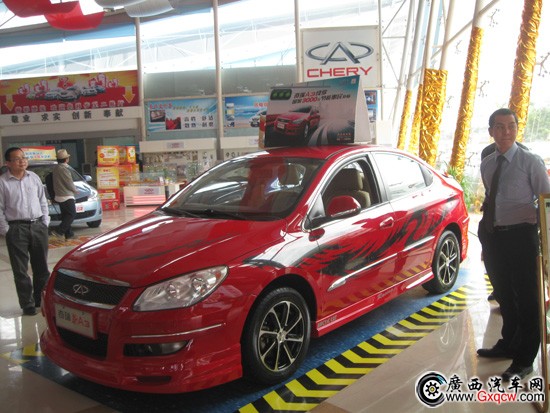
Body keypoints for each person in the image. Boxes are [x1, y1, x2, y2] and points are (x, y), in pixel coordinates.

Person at [476, 108, 550, 381]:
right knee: (504, 294)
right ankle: (509, 343)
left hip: (522, 237)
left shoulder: (531, 162)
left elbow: (546, 201)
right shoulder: (487, 163)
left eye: (511, 126)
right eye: (499, 126)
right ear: (491, 131)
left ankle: (524, 358)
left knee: (527, 299)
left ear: (517, 129)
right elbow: (492, 198)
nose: (506, 131)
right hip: (494, 237)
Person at [0, 147, 50, 316]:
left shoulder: (33, 177)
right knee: (20, 270)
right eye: (17, 159)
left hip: (37, 226)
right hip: (16, 228)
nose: (22, 161)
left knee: (41, 267)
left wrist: (45, 222)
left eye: (23, 157)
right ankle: (27, 304)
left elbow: (42, 200)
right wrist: (6, 230)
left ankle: (40, 300)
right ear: (8, 163)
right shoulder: (3, 182)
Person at [480, 140, 529, 302]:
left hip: (518, 228)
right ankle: (500, 291)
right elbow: (490, 191)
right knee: (495, 264)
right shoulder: (488, 159)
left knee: (517, 268)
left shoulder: (527, 162)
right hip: (491, 225)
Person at [51, 149, 77, 240]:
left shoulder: (56, 168)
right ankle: (59, 231)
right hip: (66, 195)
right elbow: (68, 182)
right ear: (66, 159)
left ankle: (69, 234)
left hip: (59, 195)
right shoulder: (64, 169)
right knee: (71, 214)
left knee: (66, 215)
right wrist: (75, 190)